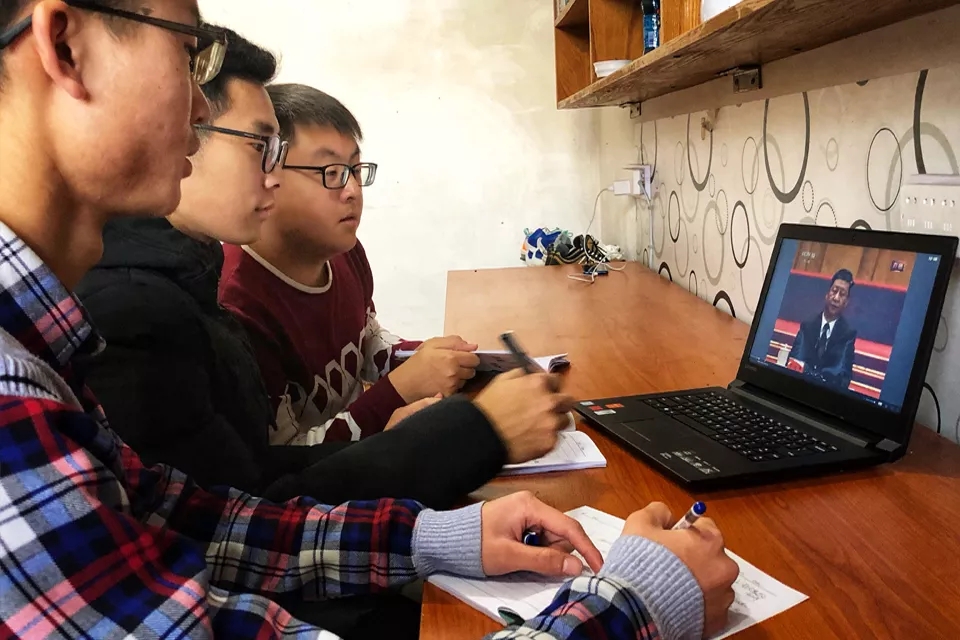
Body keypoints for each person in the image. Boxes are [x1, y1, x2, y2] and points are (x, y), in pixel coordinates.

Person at [0, 2, 739, 639]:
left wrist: (439, 535)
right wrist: (641, 599)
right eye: (188, 52)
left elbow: (207, 525)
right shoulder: (20, 397)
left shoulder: (53, 348)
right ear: (64, 47)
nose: (200, 106)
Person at [72, 27, 559, 510]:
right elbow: (250, 512)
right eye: (262, 148)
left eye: (355, 169)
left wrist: (433, 389)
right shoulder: (162, 309)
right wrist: (465, 432)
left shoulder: (200, 275)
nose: (352, 190)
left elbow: (260, 470)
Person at [219, 84, 481, 447]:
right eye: (331, 172)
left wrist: (423, 357)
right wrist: (397, 391)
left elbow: (367, 337)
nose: (353, 190)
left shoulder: (344, 251)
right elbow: (285, 455)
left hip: (363, 458)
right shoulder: (236, 306)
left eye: (355, 170)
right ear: (268, 175)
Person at [787, 268, 858, 390]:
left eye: (842, 294)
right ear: (827, 294)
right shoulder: (807, 325)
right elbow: (794, 362)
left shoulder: (848, 334)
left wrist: (810, 373)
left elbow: (842, 377)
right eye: (834, 291)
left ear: (846, 302)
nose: (836, 298)